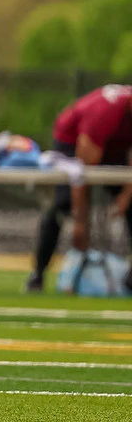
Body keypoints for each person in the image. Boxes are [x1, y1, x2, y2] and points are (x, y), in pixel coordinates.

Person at [25, 84, 132, 294]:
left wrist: (126, 198)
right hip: (72, 145)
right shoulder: (104, 113)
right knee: (61, 207)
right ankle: (38, 272)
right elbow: (80, 173)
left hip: (114, 146)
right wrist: (80, 221)